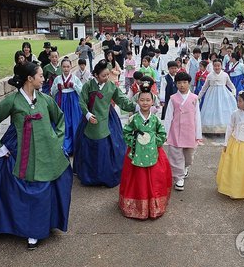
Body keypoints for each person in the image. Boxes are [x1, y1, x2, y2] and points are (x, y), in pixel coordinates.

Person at [0, 62, 72, 250]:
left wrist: (57, 142)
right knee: (27, 192)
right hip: (23, 153)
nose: (43, 78)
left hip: (46, 153)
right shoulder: (13, 101)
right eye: (40, 76)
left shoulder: (46, 99)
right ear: (29, 79)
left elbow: (60, 118)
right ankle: (29, 230)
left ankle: (42, 226)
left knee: (47, 187)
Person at [74, 59, 137, 187]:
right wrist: (87, 114)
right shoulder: (88, 85)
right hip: (90, 118)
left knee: (108, 146)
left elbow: (122, 101)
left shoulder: (111, 86)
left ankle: (104, 175)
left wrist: (137, 106)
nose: (107, 77)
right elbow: (82, 101)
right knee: (87, 145)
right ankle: (89, 175)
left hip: (107, 118)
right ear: (96, 75)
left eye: (108, 75)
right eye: (104, 75)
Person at [119, 81, 172, 219]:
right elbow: (126, 133)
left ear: (152, 101)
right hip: (136, 153)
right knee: (138, 180)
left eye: (148, 100)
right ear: (137, 101)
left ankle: (153, 205)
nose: (145, 103)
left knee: (156, 179)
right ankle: (137, 206)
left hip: (154, 152)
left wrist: (156, 143)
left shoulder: (155, 120)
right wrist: (133, 142)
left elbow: (162, 134)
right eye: (142, 100)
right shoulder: (134, 119)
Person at [216, 90, 244, 199]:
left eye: (240, 101)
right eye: (238, 101)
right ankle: (232, 188)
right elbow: (230, 128)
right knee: (233, 166)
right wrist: (226, 143)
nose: (238, 103)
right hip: (235, 143)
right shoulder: (235, 114)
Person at [164, 72, 202, 191]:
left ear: (189, 84)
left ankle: (185, 167)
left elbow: (197, 117)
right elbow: (169, 116)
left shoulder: (194, 98)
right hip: (176, 131)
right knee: (176, 155)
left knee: (188, 155)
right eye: (179, 83)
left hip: (190, 131)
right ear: (176, 84)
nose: (182, 85)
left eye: (184, 82)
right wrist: (165, 132)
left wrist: (198, 134)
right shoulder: (173, 99)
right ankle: (179, 178)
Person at [51, 58, 83, 156]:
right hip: (61, 102)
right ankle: (64, 147)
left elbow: (81, 91)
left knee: (74, 123)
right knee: (63, 124)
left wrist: (73, 86)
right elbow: (52, 92)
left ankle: (75, 146)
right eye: (64, 67)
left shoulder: (75, 78)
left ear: (71, 66)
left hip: (73, 102)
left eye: (68, 66)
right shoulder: (57, 79)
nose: (66, 69)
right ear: (61, 67)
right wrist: (58, 87)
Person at [197, 59, 237, 133]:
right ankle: (210, 128)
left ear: (221, 66)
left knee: (222, 109)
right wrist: (198, 97)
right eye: (215, 66)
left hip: (223, 95)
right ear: (213, 66)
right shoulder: (209, 75)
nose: (217, 67)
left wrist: (233, 93)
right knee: (211, 110)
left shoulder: (225, 75)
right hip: (211, 96)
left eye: (218, 66)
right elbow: (204, 88)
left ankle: (223, 128)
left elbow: (231, 85)